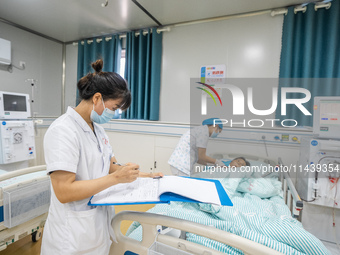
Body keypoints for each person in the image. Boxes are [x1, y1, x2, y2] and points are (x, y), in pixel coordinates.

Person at [41, 59, 163, 255]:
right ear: (97, 98)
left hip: (97, 227)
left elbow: (110, 165)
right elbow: (64, 191)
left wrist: (144, 176)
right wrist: (115, 178)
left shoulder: (97, 129)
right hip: (71, 237)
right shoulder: (63, 131)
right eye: (113, 108)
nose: (113, 114)